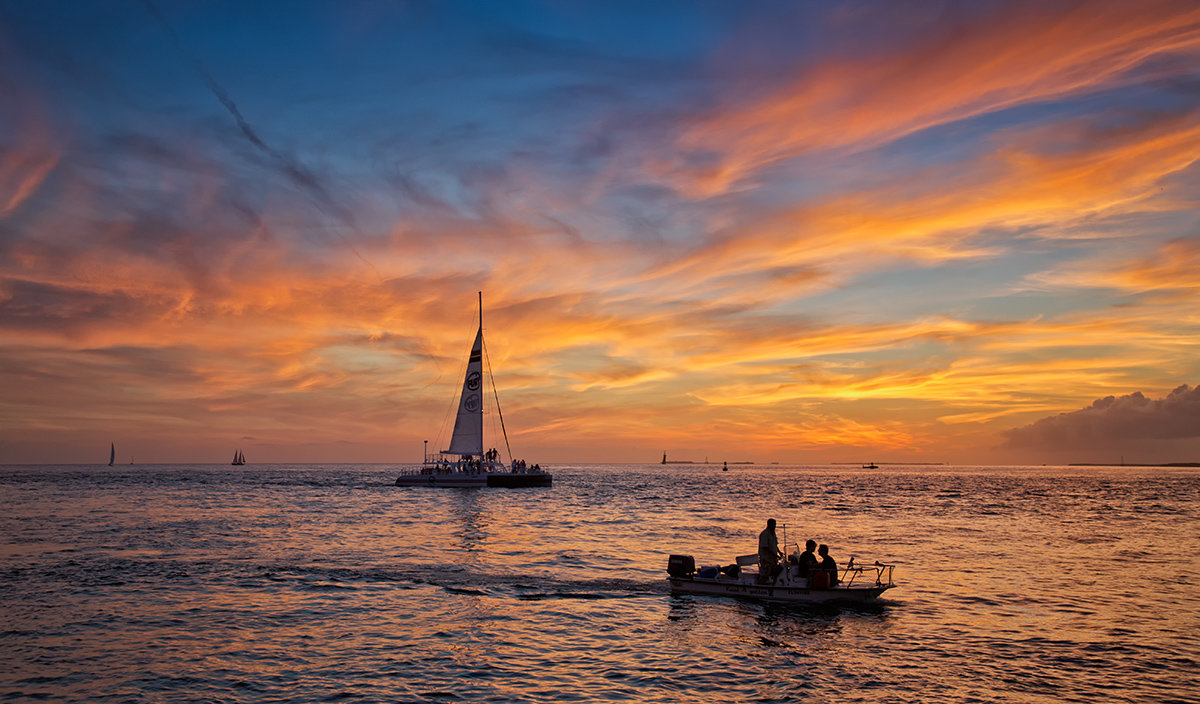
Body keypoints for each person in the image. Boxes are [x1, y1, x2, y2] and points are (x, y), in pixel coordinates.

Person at [758, 519, 782, 584]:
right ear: (769, 524)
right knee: (765, 575)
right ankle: (759, 587)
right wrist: (775, 555)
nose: (775, 526)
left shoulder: (773, 533)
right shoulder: (764, 534)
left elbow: (775, 545)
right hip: (766, 559)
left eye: (775, 525)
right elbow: (765, 547)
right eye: (773, 525)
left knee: (775, 572)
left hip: (773, 560)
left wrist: (780, 553)